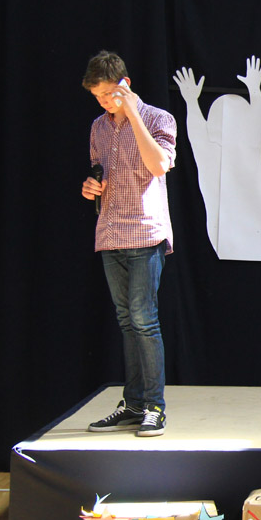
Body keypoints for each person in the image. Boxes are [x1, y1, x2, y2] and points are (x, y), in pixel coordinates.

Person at [81, 51, 176, 437]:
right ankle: (133, 403)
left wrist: (133, 113)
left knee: (144, 319)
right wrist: (91, 186)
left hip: (145, 232)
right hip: (110, 232)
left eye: (109, 93)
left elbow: (159, 165)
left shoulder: (158, 118)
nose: (104, 102)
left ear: (126, 84)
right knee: (126, 322)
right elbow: (99, 171)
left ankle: (154, 405)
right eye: (98, 96)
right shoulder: (98, 127)